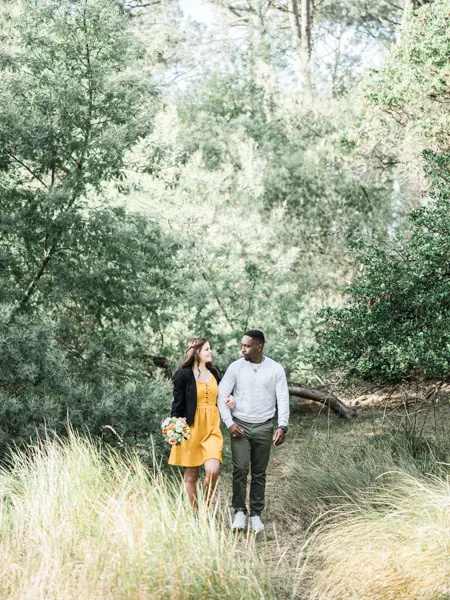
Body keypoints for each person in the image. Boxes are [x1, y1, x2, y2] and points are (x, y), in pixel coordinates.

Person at [217, 329, 289, 533]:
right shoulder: (236, 367)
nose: (242, 349)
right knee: (240, 468)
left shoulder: (275, 369)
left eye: (247, 346)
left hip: (264, 426)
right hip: (240, 426)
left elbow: (282, 398)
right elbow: (222, 395)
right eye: (242, 345)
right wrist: (229, 423)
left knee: (259, 472)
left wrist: (282, 425)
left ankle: (256, 514)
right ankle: (239, 511)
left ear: (259, 346)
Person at [169, 337, 235, 507]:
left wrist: (230, 399)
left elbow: (224, 395)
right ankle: (195, 515)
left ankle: (205, 508)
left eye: (209, 348)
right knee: (191, 476)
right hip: (191, 428)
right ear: (196, 352)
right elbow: (177, 404)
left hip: (211, 429)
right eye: (206, 349)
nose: (210, 351)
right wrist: (175, 428)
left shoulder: (214, 373)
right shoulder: (182, 375)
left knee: (212, 471)